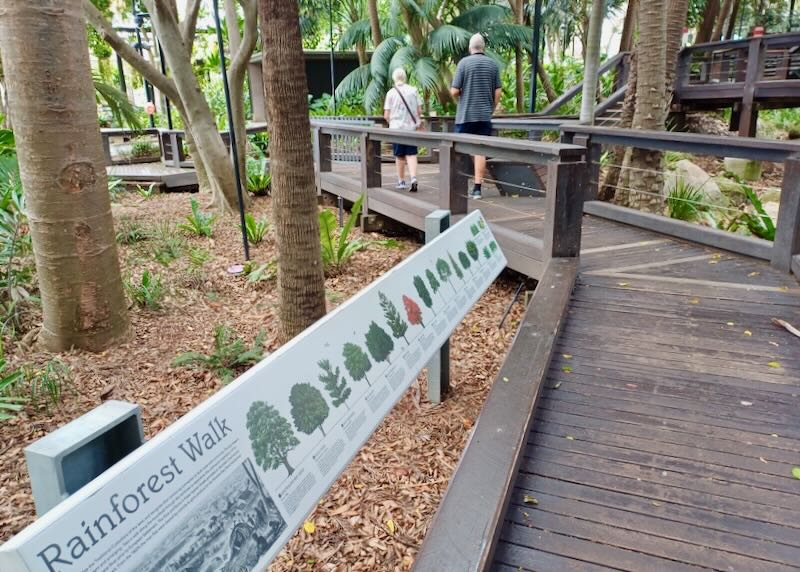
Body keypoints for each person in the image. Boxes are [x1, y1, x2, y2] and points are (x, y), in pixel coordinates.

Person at [450, 33, 501, 199]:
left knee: (457, 149)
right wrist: (491, 108)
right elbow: (498, 92)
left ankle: (457, 187)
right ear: (483, 48)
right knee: (479, 151)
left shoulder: (464, 63)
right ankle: (477, 188)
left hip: (465, 115)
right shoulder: (492, 65)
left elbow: (454, 91)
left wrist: (463, 93)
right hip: (484, 115)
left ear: (470, 48)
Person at [384, 68, 423, 192]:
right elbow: (419, 111)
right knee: (411, 154)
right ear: (405, 77)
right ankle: (413, 178)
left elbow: (386, 114)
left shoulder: (391, 93)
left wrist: (392, 121)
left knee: (400, 155)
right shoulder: (413, 90)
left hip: (397, 129)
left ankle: (401, 181)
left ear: (394, 78)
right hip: (410, 128)